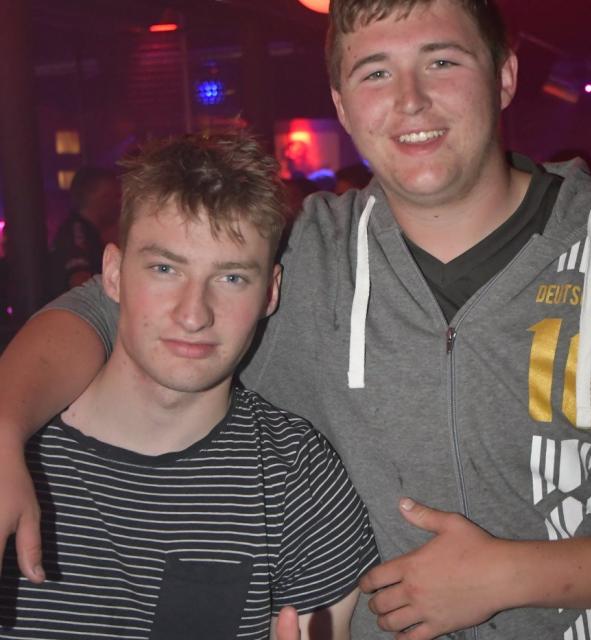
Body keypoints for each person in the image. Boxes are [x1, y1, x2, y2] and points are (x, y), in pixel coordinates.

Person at [0, 0, 591, 638]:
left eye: (442, 61)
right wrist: (4, 429)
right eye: (376, 72)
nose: (410, 100)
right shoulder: (304, 254)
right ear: (341, 105)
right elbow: (103, 312)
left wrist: (510, 577)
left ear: (504, 75)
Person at [0, 133, 378, 639]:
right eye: (165, 269)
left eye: (231, 278)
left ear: (271, 293)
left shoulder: (298, 476)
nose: (194, 314)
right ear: (112, 274)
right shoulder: (15, 458)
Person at [48, 166, 120, 296]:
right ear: (97, 197)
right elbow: (79, 280)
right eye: (113, 196)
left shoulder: (90, 232)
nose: (118, 203)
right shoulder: (76, 231)